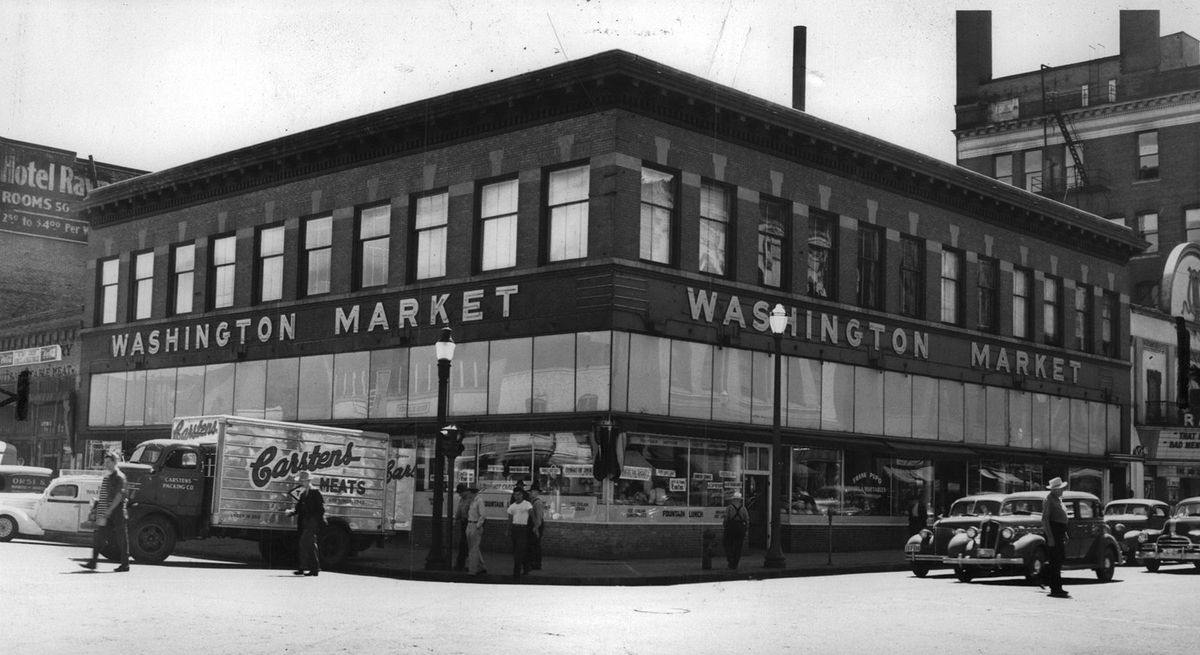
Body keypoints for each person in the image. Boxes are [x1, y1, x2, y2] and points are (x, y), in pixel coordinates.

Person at [80, 452, 130, 572]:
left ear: (114, 462)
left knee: (121, 538)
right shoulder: (109, 476)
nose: (105, 464)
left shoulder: (119, 477)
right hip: (108, 511)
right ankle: (93, 562)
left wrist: (109, 510)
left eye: (108, 462)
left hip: (117, 511)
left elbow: (119, 496)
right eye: (105, 462)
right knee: (99, 535)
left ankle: (125, 564)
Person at [286, 471, 325, 577]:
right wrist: (291, 512)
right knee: (310, 544)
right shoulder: (304, 494)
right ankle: (313, 569)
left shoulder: (315, 492)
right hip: (306, 522)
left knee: (304, 543)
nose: (302, 483)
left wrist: (317, 522)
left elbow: (321, 509)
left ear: (308, 481)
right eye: (301, 481)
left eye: (303, 481)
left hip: (312, 522)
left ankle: (306, 567)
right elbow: (299, 508)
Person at [1042, 477, 1070, 598]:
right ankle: (1055, 587)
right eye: (1060, 488)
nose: (1062, 490)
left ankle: (1056, 585)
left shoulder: (1058, 499)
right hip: (1054, 532)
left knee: (1058, 560)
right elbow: (1045, 519)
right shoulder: (1049, 500)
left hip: (1059, 532)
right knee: (1055, 560)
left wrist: (1064, 533)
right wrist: (1050, 537)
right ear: (1054, 490)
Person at [506, 486, 533, 579]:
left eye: (519, 494)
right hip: (515, 528)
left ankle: (516, 571)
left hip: (523, 528)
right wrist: (508, 530)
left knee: (520, 550)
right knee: (517, 550)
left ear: (522, 495)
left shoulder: (527, 504)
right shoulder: (512, 506)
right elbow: (509, 520)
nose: (517, 496)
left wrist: (535, 526)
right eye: (515, 494)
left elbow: (532, 515)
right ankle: (525, 568)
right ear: (513, 495)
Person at [722, 490, 749, 569]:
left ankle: (730, 559)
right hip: (740, 529)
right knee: (738, 546)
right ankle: (735, 563)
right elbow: (747, 519)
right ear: (740, 500)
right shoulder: (743, 509)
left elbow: (726, 518)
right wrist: (746, 529)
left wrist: (725, 526)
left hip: (731, 528)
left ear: (733, 499)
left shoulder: (729, 508)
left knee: (727, 543)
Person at [465, 486, 487, 576]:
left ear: (472, 493)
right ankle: (481, 566)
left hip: (475, 525)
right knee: (473, 548)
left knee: (473, 549)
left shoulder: (479, 501)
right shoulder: (471, 501)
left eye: (469, 492)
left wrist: (478, 525)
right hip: (469, 524)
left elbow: (483, 515)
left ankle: (472, 570)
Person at [525, 480, 546, 571]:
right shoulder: (533, 501)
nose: (530, 493)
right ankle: (534, 562)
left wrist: (536, 527)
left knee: (535, 545)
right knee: (533, 545)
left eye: (532, 491)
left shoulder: (537, 502)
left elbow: (539, 516)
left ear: (536, 492)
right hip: (534, 526)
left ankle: (537, 563)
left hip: (536, 526)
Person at [453, 483, 470, 571]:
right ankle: (461, 564)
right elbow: (459, 510)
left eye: (460, 493)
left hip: (469, 523)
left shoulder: (470, 499)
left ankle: (461, 564)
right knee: (463, 543)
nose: (459, 495)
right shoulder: (462, 499)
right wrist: (456, 519)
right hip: (464, 522)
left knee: (465, 544)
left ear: (464, 491)